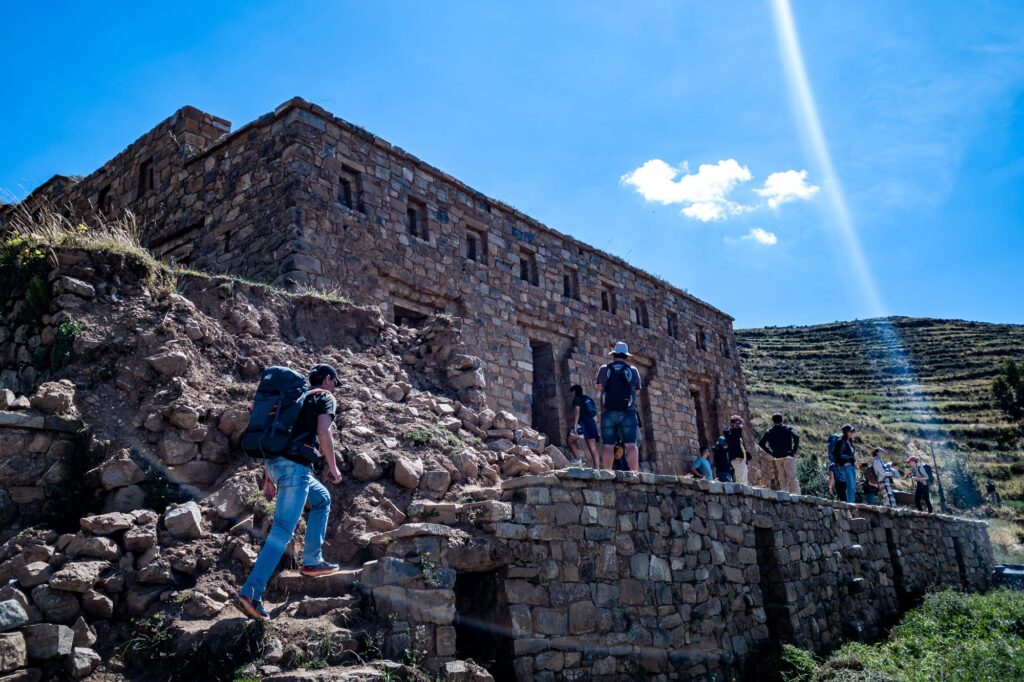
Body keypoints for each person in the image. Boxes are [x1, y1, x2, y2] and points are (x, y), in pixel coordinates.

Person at [237, 364, 344, 621]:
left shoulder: (295, 399)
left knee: (321, 499)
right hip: (295, 471)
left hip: (278, 466)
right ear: (328, 380)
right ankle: (251, 593)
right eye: (335, 383)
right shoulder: (324, 397)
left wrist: (268, 478)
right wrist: (333, 467)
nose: (334, 388)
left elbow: (276, 435)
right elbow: (323, 431)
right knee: (283, 530)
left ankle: (312, 560)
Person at [596, 342, 642, 472]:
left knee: (608, 445)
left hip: (608, 410)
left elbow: (599, 386)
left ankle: (607, 472)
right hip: (628, 411)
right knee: (631, 445)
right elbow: (637, 390)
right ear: (626, 356)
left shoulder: (604, 369)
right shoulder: (633, 370)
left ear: (614, 355)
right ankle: (634, 473)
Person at [757, 414, 801, 494]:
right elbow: (796, 436)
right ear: (782, 420)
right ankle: (797, 495)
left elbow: (761, 443)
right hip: (788, 456)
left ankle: (784, 495)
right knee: (792, 477)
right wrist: (794, 450)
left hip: (777, 457)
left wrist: (770, 452)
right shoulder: (787, 428)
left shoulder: (769, 431)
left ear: (773, 421)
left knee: (782, 478)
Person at [566, 384, 600, 467]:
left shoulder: (577, 399)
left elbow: (577, 412)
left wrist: (575, 425)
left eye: (572, 392)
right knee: (593, 448)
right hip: (591, 424)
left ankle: (578, 460)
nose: (571, 395)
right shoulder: (587, 398)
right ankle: (597, 469)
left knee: (569, 440)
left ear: (574, 391)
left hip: (582, 424)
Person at [722, 416, 751, 485]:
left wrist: (746, 462)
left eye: (739, 423)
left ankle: (744, 494)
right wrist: (738, 430)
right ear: (731, 423)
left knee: (744, 480)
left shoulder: (737, 432)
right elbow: (734, 441)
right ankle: (741, 494)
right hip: (736, 459)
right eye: (736, 423)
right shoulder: (727, 432)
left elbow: (741, 448)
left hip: (742, 459)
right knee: (740, 479)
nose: (737, 425)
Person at [833, 425, 858, 504]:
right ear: (847, 432)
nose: (852, 433)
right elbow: (836, 454)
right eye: (851, 431)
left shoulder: (849, 441)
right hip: (846, 467)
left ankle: (852, 503)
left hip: (852, 466)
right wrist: (843, 463)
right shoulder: (840, 441)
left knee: (853, 486)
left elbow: (850, 454)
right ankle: (850, 504)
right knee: (850, 485)